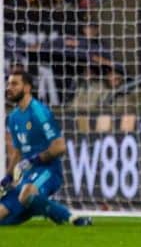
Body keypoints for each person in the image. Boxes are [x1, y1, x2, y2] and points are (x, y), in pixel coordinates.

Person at [0, 70, 92, 226]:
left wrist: (33, 160)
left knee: (27, 193)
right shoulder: (13, 118)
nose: (9, 87)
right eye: (8, 84)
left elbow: (60, 147)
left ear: (27, 88)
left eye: (15, 84)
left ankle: (72, 219)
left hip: (48, 170)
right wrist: (7, 178)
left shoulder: (39, 112)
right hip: (26, 176)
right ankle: (40, 206)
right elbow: (17, 153)